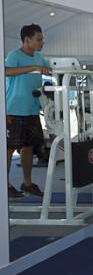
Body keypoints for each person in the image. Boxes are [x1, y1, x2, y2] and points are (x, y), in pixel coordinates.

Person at [5, 24, 50, 198]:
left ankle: (27, 183)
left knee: (28, 147)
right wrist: (33, 68)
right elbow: (6, 71)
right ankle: (4, 185)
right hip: (14, 110)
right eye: (39, 39)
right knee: (9, 148)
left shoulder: (38, 57)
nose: (42, 42)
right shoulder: (14, 55)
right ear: (27, 40)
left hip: (32, 109)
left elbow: (49, 69)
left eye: (42, 39)